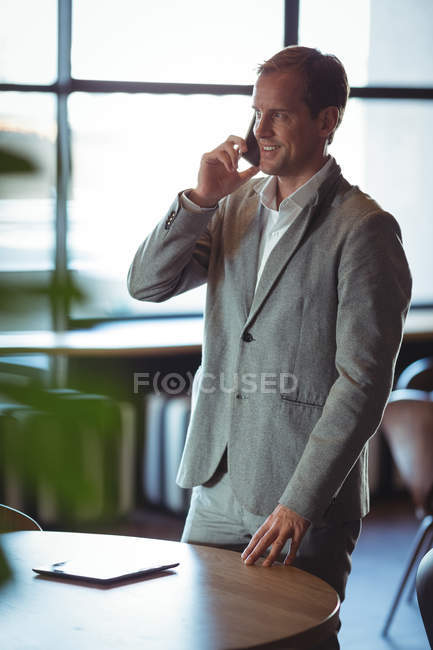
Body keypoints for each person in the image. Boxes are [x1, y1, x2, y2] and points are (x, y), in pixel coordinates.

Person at [128, 46, 412, 648]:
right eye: (256, 113)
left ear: (328, 120)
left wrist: (300, 503)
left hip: (297, 499)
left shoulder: (364, 228)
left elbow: (362, 383)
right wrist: (199, 200)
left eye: (278, 115)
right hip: (216, 481)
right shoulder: (232, 207)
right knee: (200, 633)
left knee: (292, 642)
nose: (259, 131)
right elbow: (147, 284)